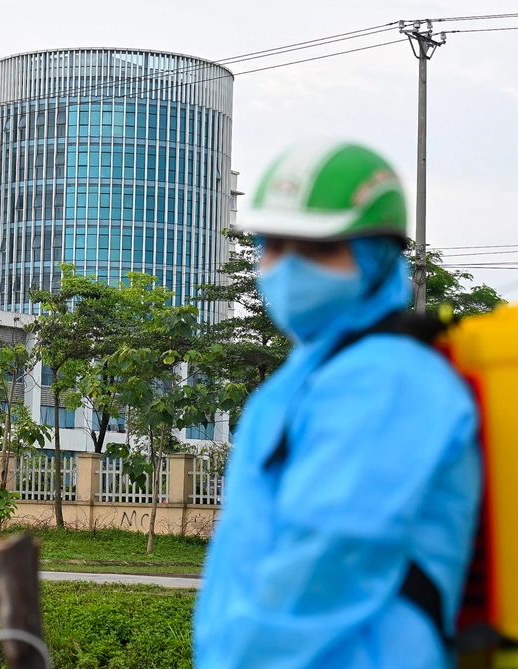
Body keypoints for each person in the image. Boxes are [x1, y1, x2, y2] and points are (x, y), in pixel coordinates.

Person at [193, 141, 482, 668]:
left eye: (319, 248)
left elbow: (326, 558)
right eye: (274, 245)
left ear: (377, 259)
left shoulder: (388, 379)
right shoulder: (307, 377)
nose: (287, 268)